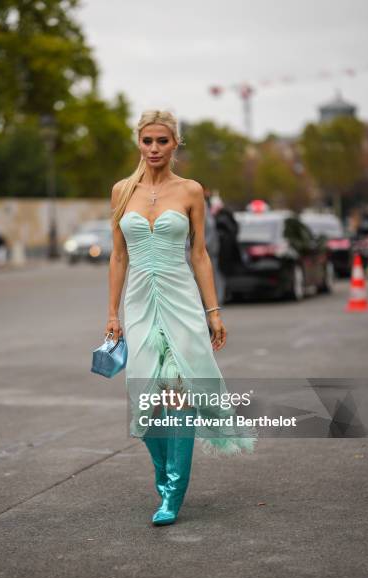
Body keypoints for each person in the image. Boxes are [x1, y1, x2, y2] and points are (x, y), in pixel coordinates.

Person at [105, 109, 258, 526]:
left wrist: (213, 311)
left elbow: (200, 254)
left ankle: (173, 491)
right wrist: (112, 314)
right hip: (138, 303)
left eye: (162, 141)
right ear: (139, 142)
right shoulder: (121, 190)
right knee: (144, 397)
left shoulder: (190, 191)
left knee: (179, 392)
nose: (154, 148)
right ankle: (162, 475)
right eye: (147, 141)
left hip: (181, 301)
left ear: (175, 144)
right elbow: (118, 256)